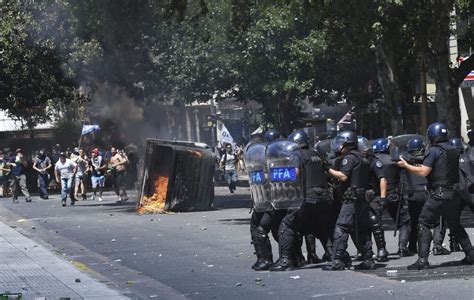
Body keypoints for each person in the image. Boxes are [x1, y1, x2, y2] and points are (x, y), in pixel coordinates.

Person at [398, 122, 474, 269]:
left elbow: (423, 172)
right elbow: (442, 168)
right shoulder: (454, 149)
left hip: (439, 194)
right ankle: (470, 254)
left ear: (432, 135)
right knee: (454, 224)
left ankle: (422, 260)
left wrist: (406, 165)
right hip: (455, 194)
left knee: (423, 222)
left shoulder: (433, 151)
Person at [270, 130, 333, 271]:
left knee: (286, 226)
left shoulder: (296, 155)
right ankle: (334, 255)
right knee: (322, 228)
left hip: (307, 197)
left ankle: (285, 261)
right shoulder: (316, 153)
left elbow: (294, 175)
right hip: (324, 196)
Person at [324, 131, 374, 271]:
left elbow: (343, 176)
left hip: (351, 199)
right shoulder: (361, 157)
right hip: (361, 198)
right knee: (360, 230)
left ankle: (337, 260)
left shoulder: (350, 158)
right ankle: (368, 258)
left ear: (345, 144)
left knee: (341, 227)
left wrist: (327, 169)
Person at [403, 137, 450, 255]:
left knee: (415, 222)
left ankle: (412, 247)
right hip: (427, 193)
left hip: (413, 195)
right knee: (438, 220)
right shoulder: (429, 157)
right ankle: (437, 246)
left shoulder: (405, 161)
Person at [372, 138, 412, 257]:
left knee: (375, 224)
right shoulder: (393, 160)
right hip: (393, 194)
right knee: (403, 222)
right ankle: (402, 248)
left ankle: (379, 250)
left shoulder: (371, 161)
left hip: (376, 196)